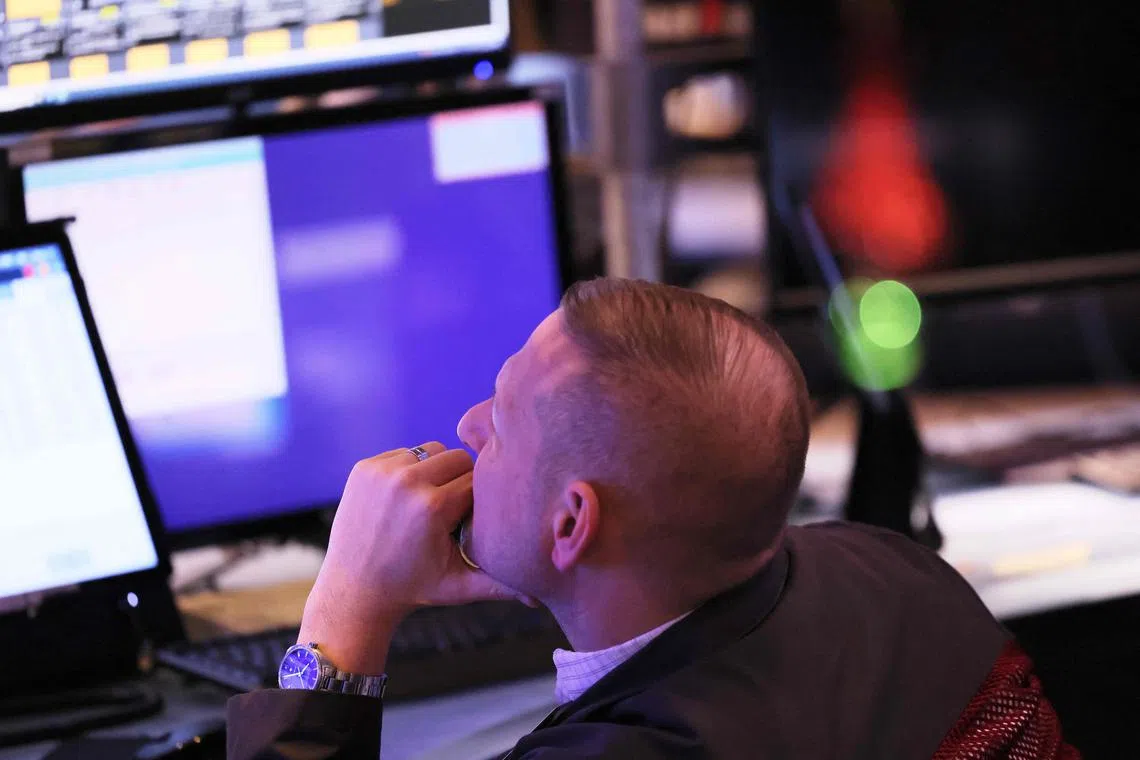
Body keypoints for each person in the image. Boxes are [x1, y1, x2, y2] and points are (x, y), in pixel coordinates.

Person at [228, 278, 1079, 759]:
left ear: (572, 527)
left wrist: (346, 609)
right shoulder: (901, 572)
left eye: (506, 417)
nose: (468, 428)